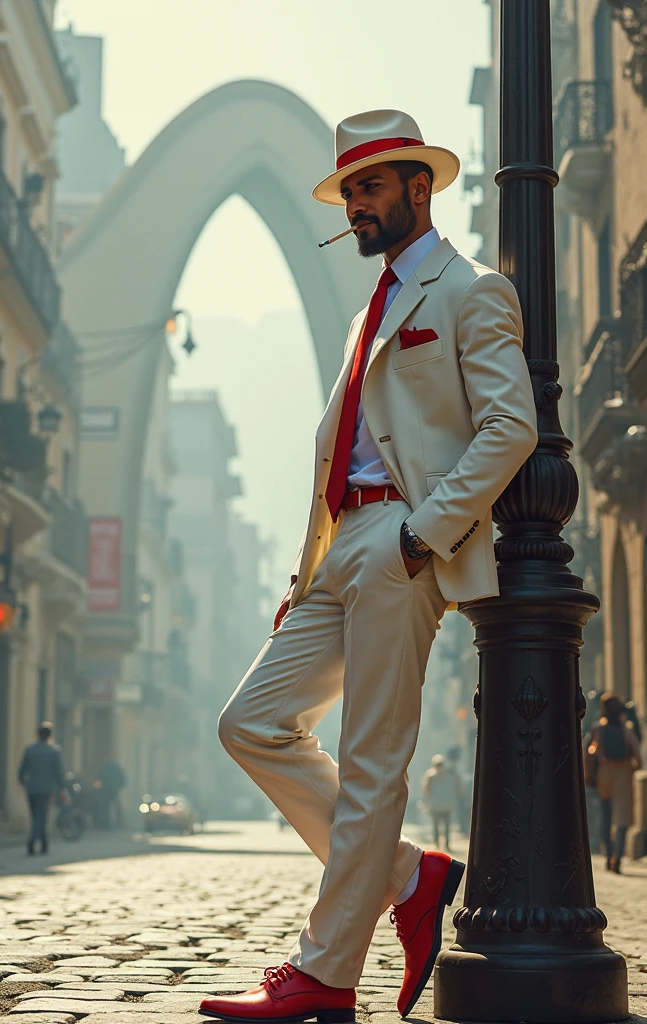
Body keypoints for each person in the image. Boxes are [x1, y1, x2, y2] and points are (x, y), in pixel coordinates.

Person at [202, 109, 537, 1024]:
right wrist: (306, 568)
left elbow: (512, 428)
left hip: (404, 544)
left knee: (371, 759)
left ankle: (325, 973)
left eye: (371, 186)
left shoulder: (471, 291)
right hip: (337, 551)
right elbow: (339, 451)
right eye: (349, 189)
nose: (355, 203)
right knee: (252, 723)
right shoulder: (368, 313)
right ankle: (409, 878)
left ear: (419, 189)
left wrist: (423, 534)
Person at [585, 693, 642, 873]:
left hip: (604, 776)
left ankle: (609, 855)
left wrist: (590, 774)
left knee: (606, 817)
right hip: (623, 776)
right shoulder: (626, 730)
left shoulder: (598, 729)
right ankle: (618, 857)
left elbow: (589, 752)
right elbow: (638, 757)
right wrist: (631, 769)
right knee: (623, 819)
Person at [17, 722, 66, 855]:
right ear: (50, 735)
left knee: (37, 816)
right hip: (46, 789)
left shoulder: (30, 750)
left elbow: (22, 771)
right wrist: (62, 788)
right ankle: (32, 841)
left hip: (31, 788)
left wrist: (23, 782)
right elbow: (59, 772)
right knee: (41, 817)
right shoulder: (54, 751)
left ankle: (44, 844)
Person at [422, 754, 461, 851]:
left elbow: (426, 789)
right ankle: (438, 843)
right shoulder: (432, 776)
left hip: (443, 805)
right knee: (437, 826)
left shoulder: (433, 775)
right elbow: (426, 789)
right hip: (437, 804)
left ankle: (444, 844)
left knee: (444, 826)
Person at [99, 758, 126, 828]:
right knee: (114, 806)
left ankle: (107, 822)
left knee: (107, 806)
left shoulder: (106, 769)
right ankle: (117, 821)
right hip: (112, 790)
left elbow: (101, 777)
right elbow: (122, 779)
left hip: (108, 790)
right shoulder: (116, 770)